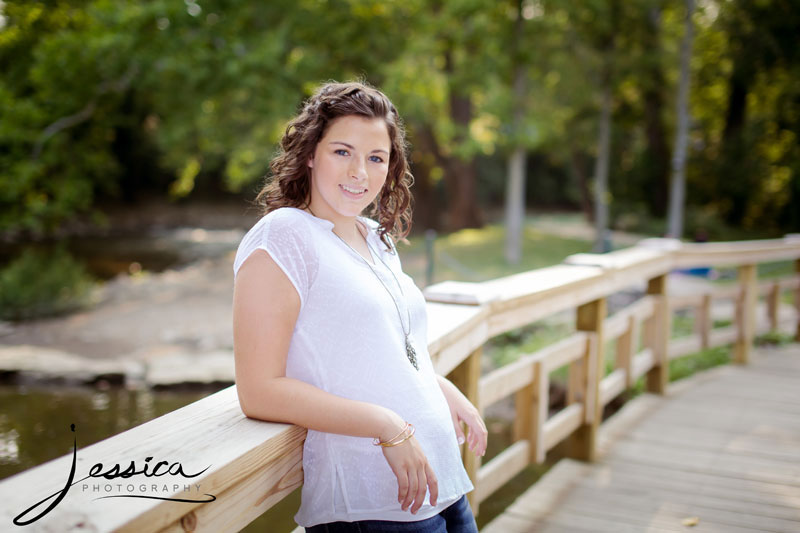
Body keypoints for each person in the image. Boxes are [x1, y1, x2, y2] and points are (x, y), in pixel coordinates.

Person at [232, 80, 487, 532]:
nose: (359, 173)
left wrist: (439, 388)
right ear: (310, 153)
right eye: (342, 152)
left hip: (441, 478)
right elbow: (258, 390)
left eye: (376, 158)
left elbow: (382, 349)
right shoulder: (284, 236)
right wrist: (387, 425)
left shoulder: (375, 237)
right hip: (375, 503)